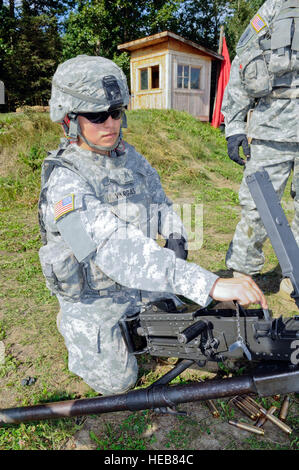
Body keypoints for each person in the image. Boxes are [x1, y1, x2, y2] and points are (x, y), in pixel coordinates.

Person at [38, 55, 267, 395]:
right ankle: (74, 325)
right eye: (97, 116)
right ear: (68, 120)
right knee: (118, 382)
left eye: (116, 112)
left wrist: (174, 231)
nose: (111, 123)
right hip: (95, 296)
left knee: (202, 339)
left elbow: (161, 203)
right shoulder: (64, 184)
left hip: (140, 283)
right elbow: (111, 249)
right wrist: (209, 282)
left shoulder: (130, 159)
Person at [222, 0, 299, 301]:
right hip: (271, 130)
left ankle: (294, 277)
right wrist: (235, 126)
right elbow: (245, 60)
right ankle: (242, 276)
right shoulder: (274, 8)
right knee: (257, 207)